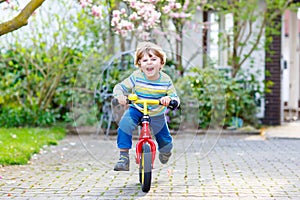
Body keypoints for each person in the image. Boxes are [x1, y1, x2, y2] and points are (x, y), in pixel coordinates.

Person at [112, 41, 180, 171]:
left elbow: (174, 97)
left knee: (165, 142)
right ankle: (124, 157)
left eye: (153, 59)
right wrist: (119, 96)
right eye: (144, 60)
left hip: (156, 113)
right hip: (137, 109)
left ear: (161, 63)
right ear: (139, 65)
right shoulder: (136, 77)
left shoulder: (166, 80)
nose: (149, 62)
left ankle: (165, 152)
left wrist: (169, 99)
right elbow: (120, 86)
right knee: (124, 125)